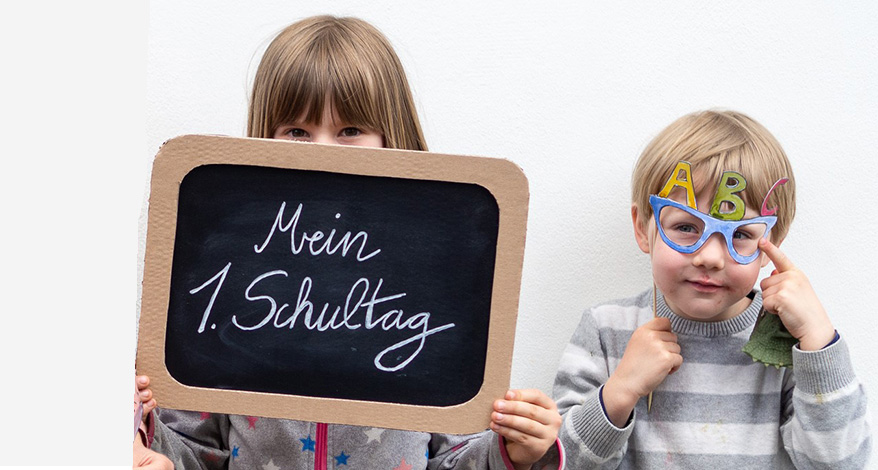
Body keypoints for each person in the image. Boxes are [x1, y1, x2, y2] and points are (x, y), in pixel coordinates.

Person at [138, 15, 563, 470]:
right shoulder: (230, 276)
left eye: (350, 131)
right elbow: (195, 450)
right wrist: (147, 436)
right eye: (298, 132)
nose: (323, 150)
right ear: (267, 137)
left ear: (389, 136)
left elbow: (453, 459)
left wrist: (514, 452)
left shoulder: (433, 276)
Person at [552, 109, 871, 468]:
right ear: (643, 227)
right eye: (687, 227)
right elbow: (559, 463)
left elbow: (841, 464)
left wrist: (820, 345)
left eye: (740, 235)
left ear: (771, 243)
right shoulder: (605, 329)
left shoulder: (789, 341)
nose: (710, 257)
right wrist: (619, 393)